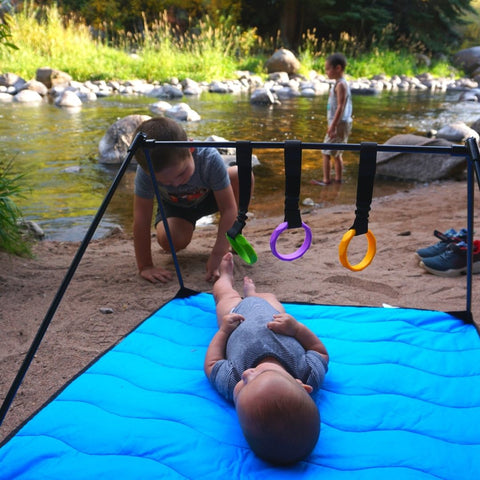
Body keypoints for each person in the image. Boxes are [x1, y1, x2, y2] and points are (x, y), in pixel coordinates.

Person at [204, 253, 329, 465]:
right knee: (269, 298)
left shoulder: (232, 380)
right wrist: (297, 329)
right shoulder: (307, 374)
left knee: (223, 295)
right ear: (302, 386)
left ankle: (224, 276)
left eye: (242, 387)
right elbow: (321, 352)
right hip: (274, 314)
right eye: (258, 376)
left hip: (236, 314)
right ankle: (252, 292)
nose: (246, 374)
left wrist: (224, 331)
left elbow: (212, 363)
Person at [133, 117, 241, 283]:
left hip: (210, 196)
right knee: (170, 242)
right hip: (175, 206)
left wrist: (218, 253)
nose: (176, 183)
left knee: (242, 176)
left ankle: (235, 236)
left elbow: (228, 209)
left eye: (181, 174)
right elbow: (141, 219)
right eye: (164, 182)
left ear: (191, 148)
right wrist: (145, 266)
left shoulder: (208, 158)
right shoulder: (145, 172)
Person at [320, 52, 353, 185]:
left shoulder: (340, 85)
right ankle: (338, 179)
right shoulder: (340, 83)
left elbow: (340, 107)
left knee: (325, 152)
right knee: (337, 153)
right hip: (342, 123)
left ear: (338, 68)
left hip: (339, 124)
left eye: (328, 69)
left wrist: (332, 126)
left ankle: (326, 180)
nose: (326, 72)